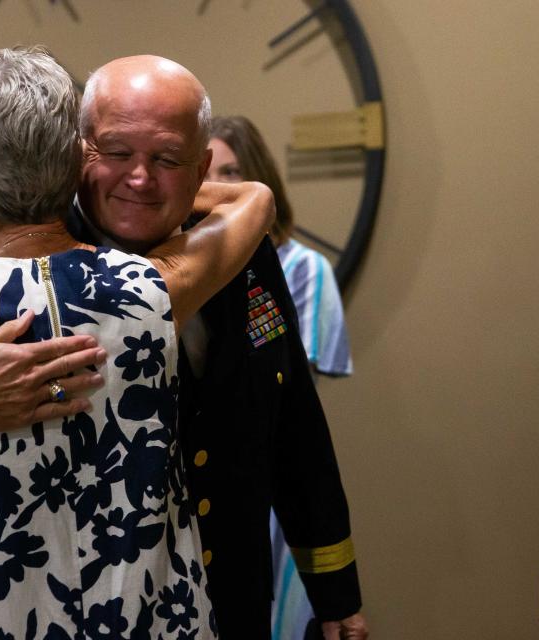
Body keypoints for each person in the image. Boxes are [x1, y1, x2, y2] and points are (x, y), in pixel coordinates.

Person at [0, 54, 366, 639]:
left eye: (166, 159)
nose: (139, 178)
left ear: (203, 165)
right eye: (117, 154)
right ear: (77, 153)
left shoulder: (242, 256)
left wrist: (336, 594)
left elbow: (295, 429)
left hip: (226, 599)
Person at [0, 46, 273, 637]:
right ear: (77, 162)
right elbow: (254, 199)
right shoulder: (151, 290)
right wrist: (165, 176)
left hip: (2, 617)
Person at [206, 115, 363, 639]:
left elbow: (292, 402)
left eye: (231, 172)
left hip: (268, 485)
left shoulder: (295, 269)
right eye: (206, 173)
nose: (218, 189)